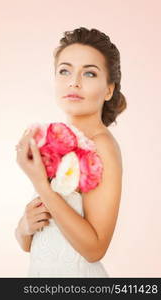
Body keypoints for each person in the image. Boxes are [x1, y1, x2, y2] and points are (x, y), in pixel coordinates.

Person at [14, 27, 127, 277]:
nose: (74, 81)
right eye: (65, 70)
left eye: (89, 73)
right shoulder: (53, 141)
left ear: (109, 90)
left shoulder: (102, 146)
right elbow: (35, 240)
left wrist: (41, 184)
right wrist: (24, 227)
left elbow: (94, 249)